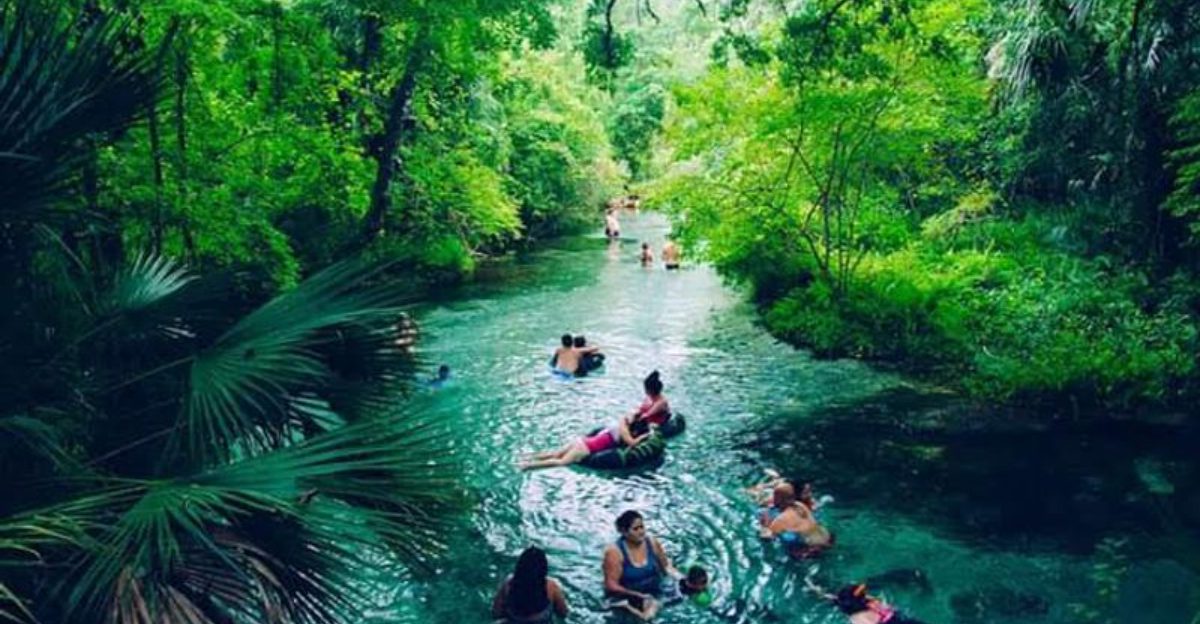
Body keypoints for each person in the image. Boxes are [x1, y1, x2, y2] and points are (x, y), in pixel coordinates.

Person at [603, 510, 682, 620]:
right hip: (626, 595)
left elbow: (666, 566)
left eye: (642, 527)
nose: (641, 532)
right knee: (646, 618)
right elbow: (611, 585)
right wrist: (639, 596)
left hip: (652, 590)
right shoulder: (614, 552)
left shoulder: (652, 542)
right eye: (635, 529)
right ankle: (626, 607)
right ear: (624, 532)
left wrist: (681, 577)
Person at [491, 546, 569, 623]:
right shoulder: (551, 586)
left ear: (520, 566)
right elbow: (563, 613)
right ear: (544, 568)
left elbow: (496, 613)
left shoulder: (508, 584)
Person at [759, 482, 834, 558]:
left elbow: (766, 537)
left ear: (777, 499)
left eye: (775, 495)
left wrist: (765, 524)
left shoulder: (781, 520)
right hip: (828, 538)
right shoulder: (801, 505)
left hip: (812, 549)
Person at [804, 579, 927, 624]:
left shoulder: (862, 607)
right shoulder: (860, 616)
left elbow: (835, 599)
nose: (866, 595)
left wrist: (817, 591)